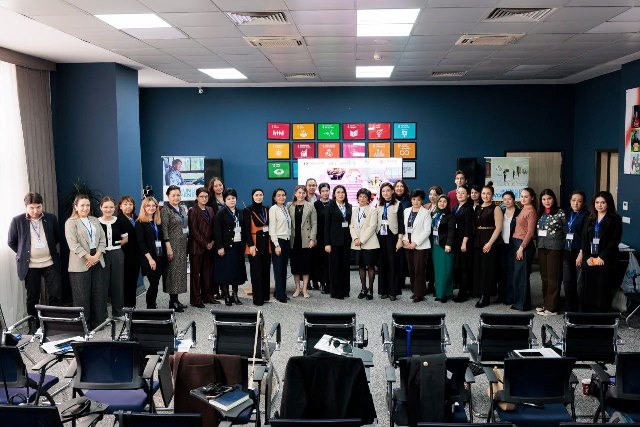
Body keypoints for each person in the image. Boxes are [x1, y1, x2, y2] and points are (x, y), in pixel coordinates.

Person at [8, 192, 62, 332]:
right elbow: (12, 242)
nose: (35, 211)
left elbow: (57, 237)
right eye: (31, 208)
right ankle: (34, 327)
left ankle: (54, 325)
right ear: (26, 207)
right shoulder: (17, 221)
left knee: (55, 294)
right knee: (32, 297)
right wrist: (24, 253)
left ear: (42, 205)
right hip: (30, 265)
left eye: (38, 207)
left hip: (50, 262)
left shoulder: (51, 218)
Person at [65, 194, 107, 329]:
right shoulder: (71, 222)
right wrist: (90, 257)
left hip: (97, 259)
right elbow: (73, 245)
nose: (85, 208)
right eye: (82, 205)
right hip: (80, 262)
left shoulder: (94, 220)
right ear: (75, 206)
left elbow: (103, 239)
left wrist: (96, 256)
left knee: (98, 293)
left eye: (87, 205)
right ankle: (84, 326)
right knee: (81, 296)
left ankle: (98, 323)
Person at [577, 191, 622, 313]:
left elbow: (614, 240)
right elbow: (584, 239)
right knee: (589, 289)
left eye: (603, 202)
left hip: (605, 260)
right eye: (597, 202)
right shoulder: (590, 217)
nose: (599, 205)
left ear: (608, 203)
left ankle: (602, 315)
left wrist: (602, 257)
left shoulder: (615, 219)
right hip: (590, 259)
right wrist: (587, 256)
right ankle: (589, 315)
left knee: (602, 290)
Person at [214, 188, 247, 306]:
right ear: (224, 200)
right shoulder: (221, 213)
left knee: (236, 272)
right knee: (226, 272)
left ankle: (235, 295)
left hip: (238, 246)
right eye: (228, 199)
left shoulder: (240, 212)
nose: (231, 200)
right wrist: (220, 247)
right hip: (226, 247)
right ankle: (227, 296)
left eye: (233, 198)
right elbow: (217, 232)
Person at [472, 184, 503, 308]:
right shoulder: (478, 207)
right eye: (483, 193)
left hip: (489, 239)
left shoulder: (496, 208)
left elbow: (499, 227)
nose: (485, 196)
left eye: (488, 193)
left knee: (487, 269)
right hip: (478, 239)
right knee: (479, 268)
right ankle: (481, 292)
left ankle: (486, 296)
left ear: (492, 195)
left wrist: (490, 243)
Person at [536, 189, 566, 316]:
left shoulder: (560, 213)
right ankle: (546, 303)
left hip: (555, 248)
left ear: (554, 199)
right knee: (545, 277)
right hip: (542, 247)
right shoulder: (541, 212)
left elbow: (566, 230)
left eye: (549, 198)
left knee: (554, 277)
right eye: (544, 199)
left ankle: (552, 308)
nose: (546, 201)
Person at [98, 196, 127, 320]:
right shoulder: (96, 222)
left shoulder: (119, 221)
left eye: (111, 207)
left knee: (117, 284)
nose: (108, 209)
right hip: (101, 255)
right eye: (105, 207)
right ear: (100, 207)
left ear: (115, 208)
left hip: (117, 254)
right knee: (102, 285)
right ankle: (102, 316)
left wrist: (116, 245)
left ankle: (118, 313)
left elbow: (125, 238)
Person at [161, 185, 189, 312]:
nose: (176, 197)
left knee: (179, 272)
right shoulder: (165, 210)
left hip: (182, 245)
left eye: (178, 195)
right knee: (172, 272)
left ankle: (176, 300)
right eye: (173, 195)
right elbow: (164, 230)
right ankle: (172, 302)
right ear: (168, 196)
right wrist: (168, 247)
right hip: (172, 245)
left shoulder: (182, 208)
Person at [188, 187, 217, 308]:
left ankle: (208, 297)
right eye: (201, 196)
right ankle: (196, 300)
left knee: (207, 274)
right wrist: (206, 243)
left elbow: (214, 227)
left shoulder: (210, 209)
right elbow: (194, 231)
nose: (204, 199)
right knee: (196, 275)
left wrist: (213, 242)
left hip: (210, 247)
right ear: (197, 197)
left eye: (206, 196)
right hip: (197, 247)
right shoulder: (193, 211)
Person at [510, 187, 537, 311]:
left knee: (522, 276)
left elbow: (530, 232)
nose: (523, 198)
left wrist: (521, 248)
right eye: (521, 196)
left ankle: (523, 304)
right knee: (518, 275)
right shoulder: (523, 209)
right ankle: (518, 302)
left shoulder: (531, 211)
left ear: (532, 197)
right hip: (517, 243)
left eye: (526, 196)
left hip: (524, 245)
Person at [135, 196, 166, 309]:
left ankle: (153, 304)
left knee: (156, 283)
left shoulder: (157, 221)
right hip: (148, 258)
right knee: (153, 283)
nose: (151, 208)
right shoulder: (139, 223)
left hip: (159, 256)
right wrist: (150, 259)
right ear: (144, 207)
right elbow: (141, 243)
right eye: (148, 205)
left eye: (153, 205)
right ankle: (150, 306)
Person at [402, 189, 432, 303]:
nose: (416, 202)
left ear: (422, 200)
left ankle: (419, 294)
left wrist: (415, 243)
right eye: (414, 199)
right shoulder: (406, 211)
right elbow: (403, 227)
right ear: (411, 200)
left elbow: (427, 231)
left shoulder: (426, 213)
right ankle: (415, 290)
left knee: (419, 269)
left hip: (420, 245)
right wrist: (404, 240)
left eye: (418, 200)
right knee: (411, 269)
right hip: (407, 244)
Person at [376, 182, 404, 301]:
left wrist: (400, 239)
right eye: (383, 191)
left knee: (393, 264)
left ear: (392, 191)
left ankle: (393, 291)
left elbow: (401, 223)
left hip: (393, 236)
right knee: (382, 264)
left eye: (388, 190)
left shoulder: (398, 204)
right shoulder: (378, 205)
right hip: (380, 236)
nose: (385, 193)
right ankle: (384, 291)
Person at [350, 188, 379, 301]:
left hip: (369, 243)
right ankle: (363, 289)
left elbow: (372, 227)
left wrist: (361, 240)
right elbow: (351, 226)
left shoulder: (373, 210)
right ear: (357, 198)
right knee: (361, 266)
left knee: (370, 266)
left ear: (368, 199)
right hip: (356, 243)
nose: (362, 199)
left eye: (365, 197)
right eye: (360, 196)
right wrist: (355, 238)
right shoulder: (354, 210)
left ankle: (370, 290)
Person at [288, 185, 317, 298]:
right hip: (293, 240)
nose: (301, 195)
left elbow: (314, 224)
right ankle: (297, 288)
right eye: (299, 192)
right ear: (295, 194)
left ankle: (304, 289)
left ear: (306, 194)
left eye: (303, 193)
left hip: (306, 239)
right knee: (295, 266)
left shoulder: (310, 205)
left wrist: (312, 239)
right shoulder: (289, 205)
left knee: (305, 266)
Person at [243, 188, 271, 306]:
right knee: (256, 271)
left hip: (266, 243)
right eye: (256, 195)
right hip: (254, 243)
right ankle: (258, 299)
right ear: (252, 196)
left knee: (266, 270)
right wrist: (251, 245)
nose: (259, 197)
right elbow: (246, 230)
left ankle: (265, 296)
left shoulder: (266, 209)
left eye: (260, 195)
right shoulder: (247, 210)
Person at [325, 185, 352, 299]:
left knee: (345, 267)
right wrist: (327, 243)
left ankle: (345, 290)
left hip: (346, 241)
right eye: (338, 192)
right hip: (334, 242)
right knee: (335, 267)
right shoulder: (330, 207)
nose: (341, 194)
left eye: (343, 192)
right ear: (334, 194)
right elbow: (326, 226)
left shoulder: (349, 206)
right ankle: (336, 292)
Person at [563, 191, 588, 312]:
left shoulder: (586, 216)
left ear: (583, 203)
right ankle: (569, 309)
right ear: (570, 201)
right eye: (573, 200)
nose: (576, 203)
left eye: (579, 201)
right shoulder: (569, 213)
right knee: (568, 281)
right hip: (568, 251)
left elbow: (586, 237)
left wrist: (581, 253)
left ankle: (580, 310)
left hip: (579, 252)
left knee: (579, 283)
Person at [497, 191, 520, 304]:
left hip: (513, 245)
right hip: (502, 245)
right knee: (501, 272)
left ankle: (510, 296)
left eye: (509, 199)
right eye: (505, 199)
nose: (507, 201)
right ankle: (501, 295)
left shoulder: (519, 213)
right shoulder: (501, 211)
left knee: (511, 272)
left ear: (514, 200)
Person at [452, 185, 474, 303]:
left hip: (464, 241)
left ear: (468, 195)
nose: (460, 194)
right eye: (458, 192)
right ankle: (461, 290)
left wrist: (464, 242)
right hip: (456, 240)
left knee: (464, 267)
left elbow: (468, 227)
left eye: (463, 193)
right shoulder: (455, 207)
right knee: (458, 267)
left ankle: (463, 294)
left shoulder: (468, 208)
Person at [117, 196, 140, 308]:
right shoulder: (118, 220)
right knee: (126, 282)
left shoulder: (137, 218)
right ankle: (126, 307)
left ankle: (132, 305)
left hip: (137, 256)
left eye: (130, 204)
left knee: (133, 281)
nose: (128, 206)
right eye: (125, 204)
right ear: (120, 206)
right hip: (125, 256)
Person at [431, 195, 455, 302]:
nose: (442, 203)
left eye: (444, 201)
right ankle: (440, 292)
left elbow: (451, 231)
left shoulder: (450, 216)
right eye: (440, 201)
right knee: (438, 271)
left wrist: (448, 244)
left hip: (444, 246)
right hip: (435, 245)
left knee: (445, 270)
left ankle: (445, 294)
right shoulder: (435, 214)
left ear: (448, 203)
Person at [269, 188, 291, 303]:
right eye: (279, 195)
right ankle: (280, 295)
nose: (282, 197)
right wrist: (276, 245)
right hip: (278, 242)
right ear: (274, 198)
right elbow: (272, 229)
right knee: (278, 269)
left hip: (286, 241)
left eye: (283, 195)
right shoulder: (273, 209)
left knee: (283, 269)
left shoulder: (285, 208)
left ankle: (281, 292)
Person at [206, 176, 225, 300]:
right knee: (216, 265)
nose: (218, 187)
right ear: (212, 188)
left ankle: (224, 290)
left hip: (227, 236)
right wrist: (212, 239)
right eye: (216, 186)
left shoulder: (228, 197)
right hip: (215, 236)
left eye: (220, 185)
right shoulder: (210, 201)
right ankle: (215, 290)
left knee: (225, 264)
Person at [313, 183, 331, 294]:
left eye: (327, 190)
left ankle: (330, 282)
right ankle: (322, 283)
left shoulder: (333, 203)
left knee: (330, 261)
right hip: (319, 237)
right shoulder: (315, 205)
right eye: (323, 191)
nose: (325, 193)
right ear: (320, 192)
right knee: (320, 261)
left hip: (330, 237)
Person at [394, 180, 411, 290]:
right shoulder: (390, 200)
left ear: (405, 188)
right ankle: (394, 280)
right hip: (392, 233)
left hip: (404, 233)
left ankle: (401, 280)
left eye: (401, 186)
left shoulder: (409, 201)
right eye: (397, 186)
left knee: (402, 259)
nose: (399, 188)